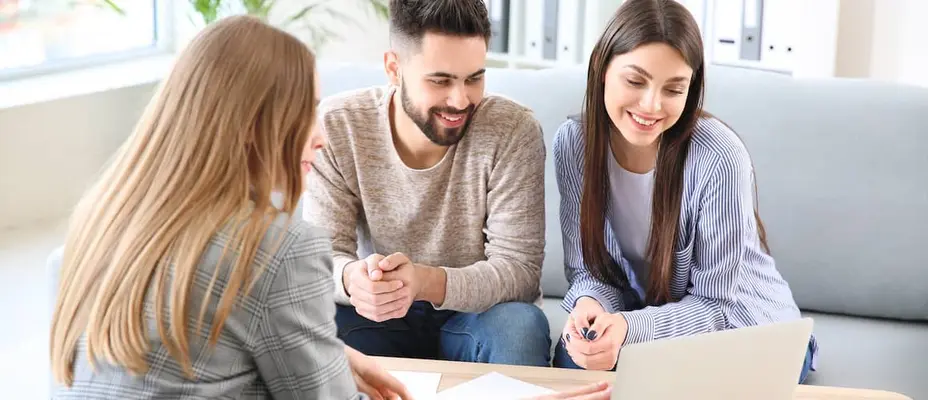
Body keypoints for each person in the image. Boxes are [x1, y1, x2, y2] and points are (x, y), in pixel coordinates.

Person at [47, 16, 414, 400]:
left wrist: (333, 355)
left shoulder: (92, 229)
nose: (319, 137)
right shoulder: (279, 249)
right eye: (307, 111)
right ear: (252, 123)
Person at [551, 0, 818, 383]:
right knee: (572, 360)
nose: (651, 105)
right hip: (647, 326)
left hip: (747, 332)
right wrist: (591, 310)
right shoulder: (574, 145)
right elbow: (590, 271)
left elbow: (715, 306)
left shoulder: (718, 157)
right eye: (635, 81)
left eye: (673, 89)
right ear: (602, 69)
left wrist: (628, 330)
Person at [302, 0, 551, 367]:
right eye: (440, 80)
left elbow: (521, 272)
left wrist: (423, 282)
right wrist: (353, 279)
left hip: (475, 316)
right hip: (376, 319)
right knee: (314, 324)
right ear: (393, 68)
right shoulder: (339, 127)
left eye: (474, 78)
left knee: (520, 326)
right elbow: (321, 260)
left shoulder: (512, 130)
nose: (460, 100)